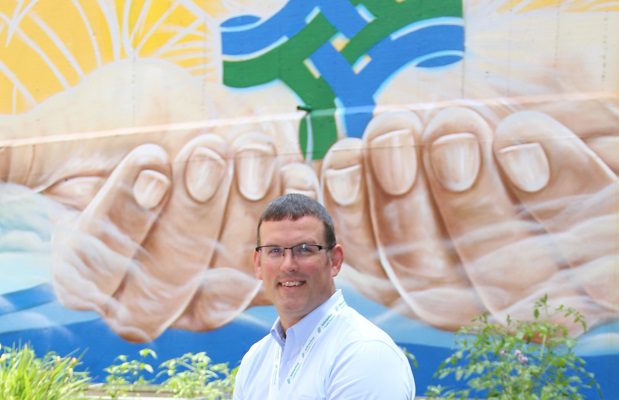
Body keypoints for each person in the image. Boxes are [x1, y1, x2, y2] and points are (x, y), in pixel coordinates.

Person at [232, 193, 415, 399]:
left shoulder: (364, 353)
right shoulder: (256, 359)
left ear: (335, 261)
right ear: (258, 264)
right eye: (274, 251)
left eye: (304, 249)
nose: (288, 265)